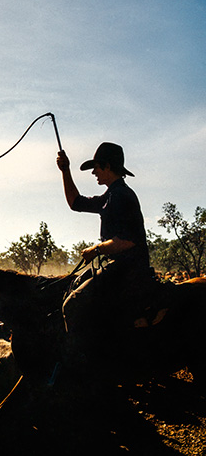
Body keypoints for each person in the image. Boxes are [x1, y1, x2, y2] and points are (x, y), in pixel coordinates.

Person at [56, 142, 156, 352]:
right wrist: (65, 170)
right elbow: (76, 203)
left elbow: (127, 241)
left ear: (108, 167)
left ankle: (82, 359)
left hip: (129, 271)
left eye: (97, 167)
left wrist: (96, 250)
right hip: (118, 269)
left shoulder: (122, 196)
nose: (93, 172)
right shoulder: (110, 196)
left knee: (73, 305)